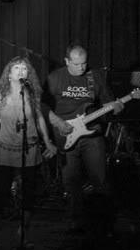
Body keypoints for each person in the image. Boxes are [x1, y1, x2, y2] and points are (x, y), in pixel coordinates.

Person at [44, 44, 123, 232]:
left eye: (84, 63)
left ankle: (103, 222)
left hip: (92, 134)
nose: (81, 68)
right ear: (67, 61)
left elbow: (108, 103)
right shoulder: (55, 78)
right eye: (76, 64)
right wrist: (58, 123)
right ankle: (75, 222)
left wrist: (115, 108)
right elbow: (43, 107)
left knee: (99, 179)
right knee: (71, 182)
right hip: (65, 135)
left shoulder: (95, 77)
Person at [0, 56, 57, 250]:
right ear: (9, 74)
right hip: (6, 149)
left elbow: (39, 119)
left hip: (30, 149)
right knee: (1, 192)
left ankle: (23, 234)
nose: (20, 71)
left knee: (28, 194)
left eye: (24, 68)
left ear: (28, 74)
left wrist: (48, 142)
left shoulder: (32, 94)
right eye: (16, 68)